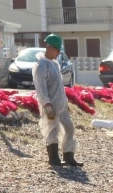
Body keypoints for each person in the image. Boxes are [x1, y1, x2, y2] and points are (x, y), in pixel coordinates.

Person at [33, 34, 82, 167]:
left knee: (69, 128)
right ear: (49, 48)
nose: (58, 53)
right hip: (50, 104)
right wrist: (47, 105)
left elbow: (59, 87)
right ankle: (54, 158)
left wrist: (65, 103)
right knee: (52, 130)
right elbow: (41, 87)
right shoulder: (41, 66)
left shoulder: (54, 64)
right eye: (56, 49)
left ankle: (68, 155)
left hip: (60, 104)